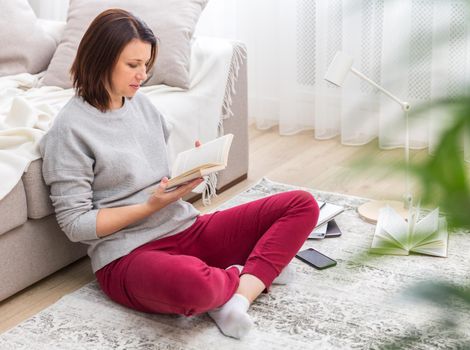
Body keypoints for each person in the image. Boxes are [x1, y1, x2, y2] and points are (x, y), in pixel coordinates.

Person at [39, 9, 319, 340]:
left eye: (146, 64)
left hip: (184, 227)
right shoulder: (69, 130)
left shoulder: (141, 105)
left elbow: (152, 179)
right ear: (100, 60)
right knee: (197, 286)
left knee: (302, 204)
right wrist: (150, 207)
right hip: (128, 256)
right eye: (133, 65)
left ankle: (236, 298)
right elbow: (75, 225)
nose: (142, 74)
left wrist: (187, 177)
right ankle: (253, 274)